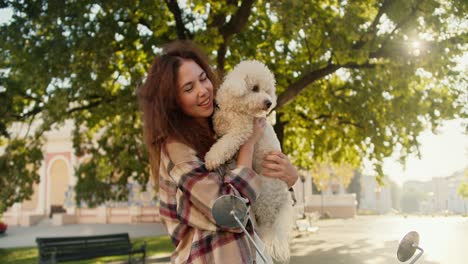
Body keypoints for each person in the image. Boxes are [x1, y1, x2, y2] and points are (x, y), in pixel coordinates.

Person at [138, 40, 299, 264]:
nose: (203, 91)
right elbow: (232, 212)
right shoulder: (177, 150)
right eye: (188, 88)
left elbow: (263, 197)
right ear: (173, 102)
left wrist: (289, 179)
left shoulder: (218, 127)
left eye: (203, 78)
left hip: (250, 253)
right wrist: (248, 144)